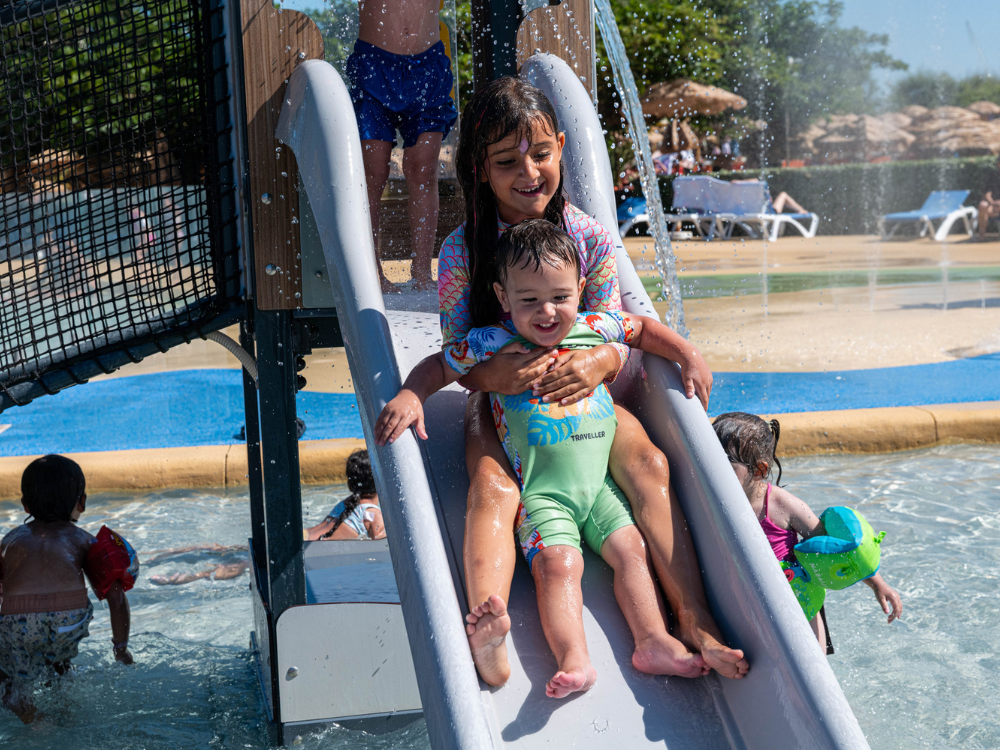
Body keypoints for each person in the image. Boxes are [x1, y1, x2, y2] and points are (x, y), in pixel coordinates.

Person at [437, 76, 748, 686]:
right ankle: (488, 623)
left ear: (559, 146)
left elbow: (612, 328)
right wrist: (495, 374)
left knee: (652, 466)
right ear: (480, 170)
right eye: (506, 162)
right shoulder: (461, 254)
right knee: (493, 488)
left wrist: (613, 362)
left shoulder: (588, 236)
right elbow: (456, 360)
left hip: (588, 399)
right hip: (503, 401)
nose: (527, 172)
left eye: (540, 153)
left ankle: (693, 617)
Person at [378, 220, 717, 694]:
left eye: (560, 296)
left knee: (632, 552)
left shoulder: (593, 328)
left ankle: (654, 640)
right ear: (503, 296)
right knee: (558, 566)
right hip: (542, 496)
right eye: (529, 300)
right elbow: (441, 364)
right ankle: (573, 656)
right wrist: (414, 393)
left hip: (600, 486)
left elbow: (641, 329)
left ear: (580, 288)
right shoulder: (491, 342)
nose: (547, 312)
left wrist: (688, 354)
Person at [712, 413, 903, 653]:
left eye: (725, 465)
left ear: (759, 471)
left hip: (797, 605)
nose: (713, 471)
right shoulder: (712, 501)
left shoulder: (782, 506)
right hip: (747, 607)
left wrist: (878, 584)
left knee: (813, 669)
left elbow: (837, 551)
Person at [0, 455, 133, 722]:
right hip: (69, 621)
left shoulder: (11, 540)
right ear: (81, 503)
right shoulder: (83, 540)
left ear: (25, 504)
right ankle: (65, 712)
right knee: (59, 663)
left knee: (9, 678)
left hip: (18, 620)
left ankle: (31, 718)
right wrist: (121, 649)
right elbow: (116, 598)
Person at [347, 0, 458, 292]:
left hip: (427, 66)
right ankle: (373, 271)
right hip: (375, 64)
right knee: (373, 171)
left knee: (423, 168)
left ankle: (422, 271)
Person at [304, 450, 385, 541]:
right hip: (316, 550)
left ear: (349, 485)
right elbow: (383, 545)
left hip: (306, 538)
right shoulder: (373, 514)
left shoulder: (347, 503)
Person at [974, 155, 1000, 241]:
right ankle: (981, 236)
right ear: (997, 164)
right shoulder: (992, 177)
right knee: (982, 205)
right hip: (994, 206)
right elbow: (987, 193)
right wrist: (993, 203)